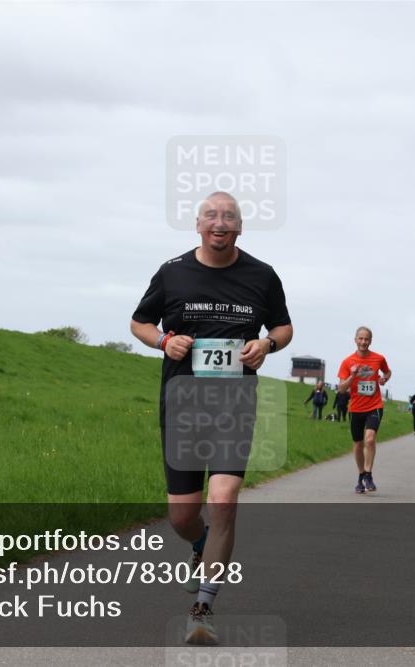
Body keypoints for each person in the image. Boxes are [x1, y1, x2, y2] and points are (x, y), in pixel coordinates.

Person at [130, 191, 293, 646]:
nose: (220, 223)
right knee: (183, 515)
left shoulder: (262, 275)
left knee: (223, 500)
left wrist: (267, 345)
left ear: (240, 227)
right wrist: (164, 342)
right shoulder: (172, 272)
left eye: (229, 217)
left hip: (234, 404)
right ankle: (199, 544)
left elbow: (283, 327)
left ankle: (202, 608)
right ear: (198, 225)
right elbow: (139, 322)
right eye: (211, 216)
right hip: (183, 405)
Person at [336, 326, 392, 494]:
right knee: (358, 444)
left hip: (374, 406)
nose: (363, 342)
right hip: (355, 408)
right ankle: (361, 475)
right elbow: (341, 389)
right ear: (355, 340)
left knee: (370, 438)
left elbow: (388, 372)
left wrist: (384, 379)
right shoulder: (347, 362)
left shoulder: (378, 358)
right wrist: (352, 376)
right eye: (360, 338)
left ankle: (368, 474)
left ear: (370, 341)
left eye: (366, 339)